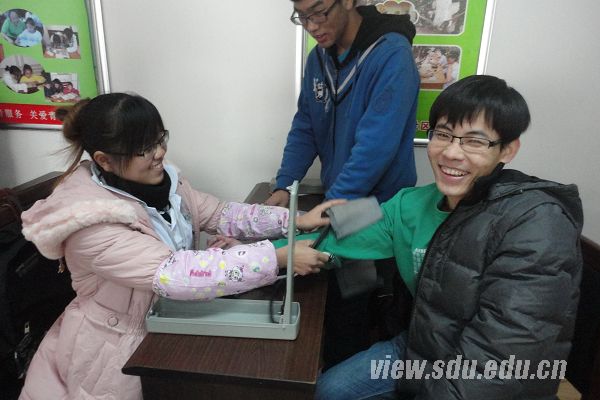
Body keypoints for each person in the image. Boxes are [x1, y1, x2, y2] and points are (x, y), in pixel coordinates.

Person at [18, 93, 338, 400]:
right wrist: (276, 258)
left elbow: (221, 213)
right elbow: (172, 273)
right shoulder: (91, 223)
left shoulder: (166, 185)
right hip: (114, 350)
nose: (159, 153)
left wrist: (295, 220)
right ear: (105, 160)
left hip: (165, 321)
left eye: (159, 139)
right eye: (143, 148)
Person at [315, 75, 583, 399]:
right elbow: (335, 229)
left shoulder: (537, 222)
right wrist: (276, 246)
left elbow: (500, 360)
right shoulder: (410, 199)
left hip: (490, 369)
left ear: (507, 150)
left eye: (474, 141)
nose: (452, 153)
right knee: (330, 389)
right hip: (421, 345)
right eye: (443, 135)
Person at [265, 0, 421, 369]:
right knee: (316, 288)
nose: (312, 26)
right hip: (339, 198)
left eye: (320, 12)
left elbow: (374, 149)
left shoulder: (391, 56)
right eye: (302, 16)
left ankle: (341, 377)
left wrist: (329, 209)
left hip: (377, 204)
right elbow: (306, 125)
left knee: (350, 302)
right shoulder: (318, 59)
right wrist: (285, 185)